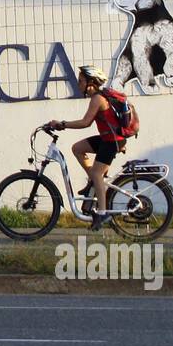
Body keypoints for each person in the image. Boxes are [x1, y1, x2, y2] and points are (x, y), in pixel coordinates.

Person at [46, 65, 123, 230]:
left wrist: (62, 124)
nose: (78, 84)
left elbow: (85, 122)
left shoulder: (97, 99)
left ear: (91, 83)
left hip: (111, 141)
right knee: (77, 148)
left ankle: (102, 213)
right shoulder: (97, 97)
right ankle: (95, 183)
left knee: (97, 173)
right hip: (107, 139)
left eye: (81, 81)